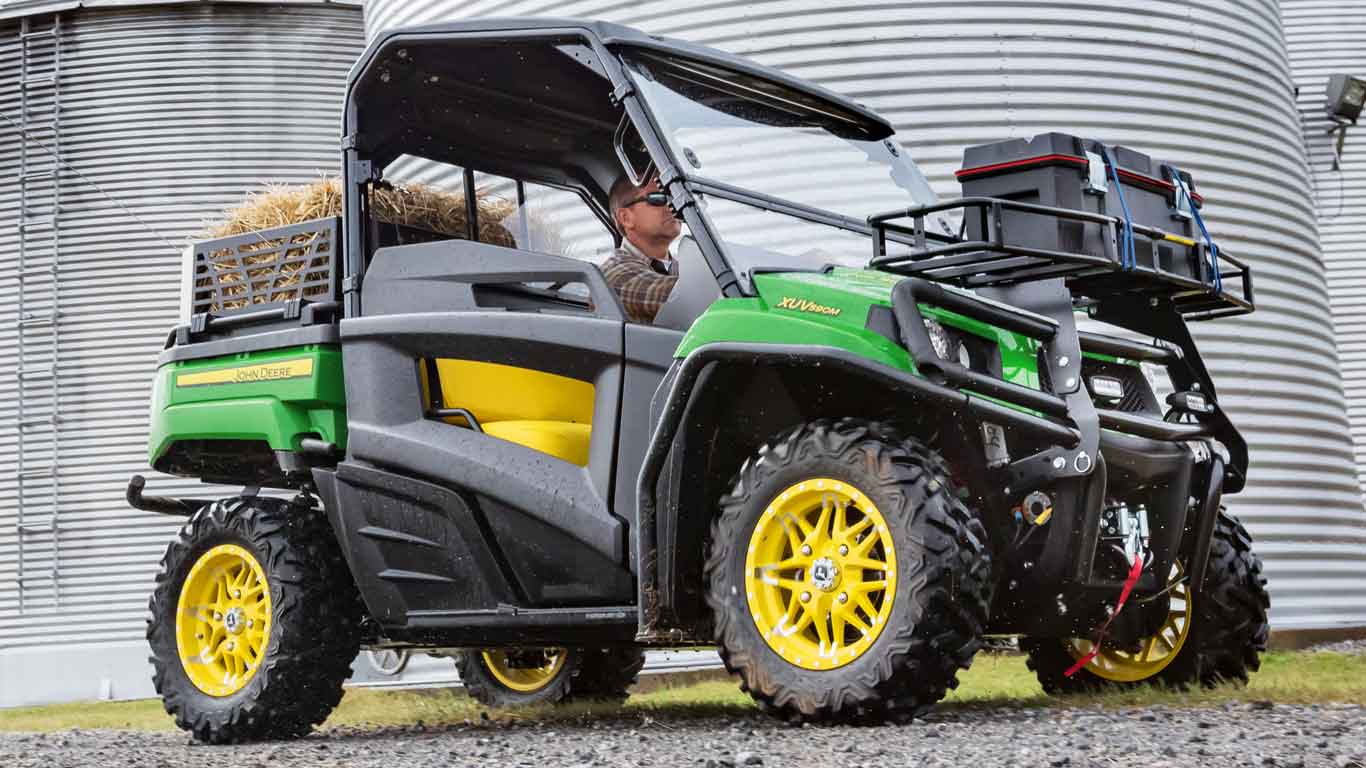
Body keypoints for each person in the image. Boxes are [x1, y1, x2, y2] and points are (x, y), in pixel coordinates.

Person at [602, 175, 681, 324]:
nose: (673, 205)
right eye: (658, 198)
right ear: (625, 218)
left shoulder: (682, 268)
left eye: (673, 196)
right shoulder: (614, 274)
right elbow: (680, 297)